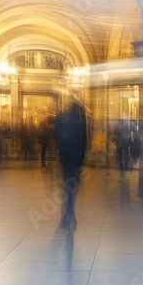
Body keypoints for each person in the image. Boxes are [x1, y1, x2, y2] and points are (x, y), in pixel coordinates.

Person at [55, 95, 88, 231]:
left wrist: (61, 155)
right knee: (71, 188)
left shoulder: (62, 116)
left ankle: (67, 214)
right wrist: (82, 159)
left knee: (67, 188)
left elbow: (57, 138)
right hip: (76, 160)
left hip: (67, 159)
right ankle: (69, 213)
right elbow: (84, 140)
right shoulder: (81, 118)